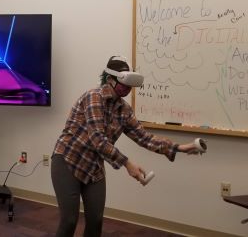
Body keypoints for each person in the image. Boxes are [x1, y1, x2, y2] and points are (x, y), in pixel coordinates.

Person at [51, 56, 201, 237]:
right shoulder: (93, 97)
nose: (128, 88)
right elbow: (98, 139)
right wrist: (127, 163)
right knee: (69, 221)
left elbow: (144, 137)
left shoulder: (124, 110)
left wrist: (179, 148)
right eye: (124, 83)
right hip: (68, 160)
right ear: (110, 80)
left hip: (93, 168)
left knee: (96, 221)